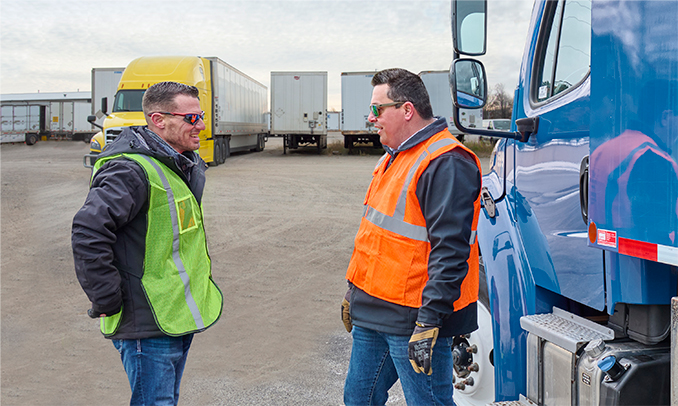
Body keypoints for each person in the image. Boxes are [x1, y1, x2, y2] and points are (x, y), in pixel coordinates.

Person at [72, 81, 223, 405]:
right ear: (158, 120)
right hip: (145, 323)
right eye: (191, 119)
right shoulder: (130, 169)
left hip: (172, 317)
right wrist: (108, 299)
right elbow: (88, 231)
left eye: (202, 117)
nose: (201, 126)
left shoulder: (179, 163)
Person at [341, 68, 482, 405]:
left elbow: (450, 252)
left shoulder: (445, 161)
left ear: (406, 110)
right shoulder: (394, 157)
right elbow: (376, 239)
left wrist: (429, 321)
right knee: (358, 399)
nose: (371, 119)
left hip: (414, 320)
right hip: (373, 312)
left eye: (377, 110)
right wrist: (353, 292)